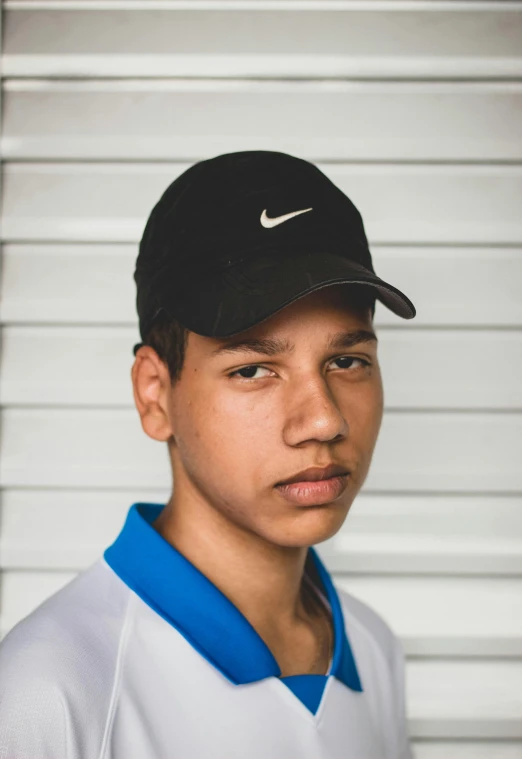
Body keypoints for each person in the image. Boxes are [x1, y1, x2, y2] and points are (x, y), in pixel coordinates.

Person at [0, 150, 416, 758]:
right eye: (253, 369)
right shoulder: (50, 693)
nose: (324, 420)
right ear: (155, 394)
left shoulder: (373, 648)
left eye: (347, 361)